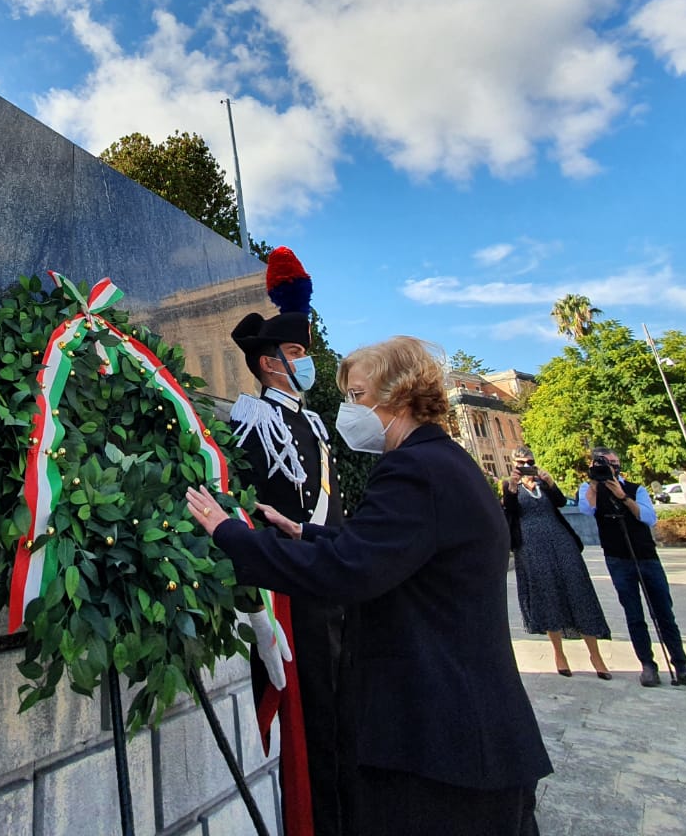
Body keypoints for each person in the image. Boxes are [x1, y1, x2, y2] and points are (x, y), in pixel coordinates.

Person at [186, 337, 551, 836]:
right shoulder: (444, 460)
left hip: (439, 746)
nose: (350, 410)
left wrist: (231, 535)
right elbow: (391, 549)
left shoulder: (414, 469)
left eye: (357, 395)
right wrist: (306, 532)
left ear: (398, 396)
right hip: (469, 734)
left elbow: (349, 570)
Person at [227, 247, 345, 836]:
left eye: (304, 351)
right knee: (308, 714)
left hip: (331, 579)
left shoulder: (313, 422)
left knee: (339, 709)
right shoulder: (255, 420)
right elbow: (249, 504)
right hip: (291, 590)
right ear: (269, 364)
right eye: (296, 353)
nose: (306, 362)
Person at [579, 448, 686, 690]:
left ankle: (682, 665)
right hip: (617, 558)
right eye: (604, 463)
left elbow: (648, 517)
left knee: (664, 613)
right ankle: (647, 665)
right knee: (634, 614)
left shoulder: (635, 489)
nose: (610, 467)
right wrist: (595, 483)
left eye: (613, 462)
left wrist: (623, 496)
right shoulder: (590, 489)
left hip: (645, 555)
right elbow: (587, 510)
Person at [502, 448, 612, 679]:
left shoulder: (543, 483)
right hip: (530, 545)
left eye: (529, 461)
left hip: (559, 540)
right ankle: (559, 653)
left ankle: (595, 655)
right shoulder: (510, 486)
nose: (526, 466)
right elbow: (510, 511)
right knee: (547, 595)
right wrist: (512, 487)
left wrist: (551, 483)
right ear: (513, 464)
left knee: (578, 591)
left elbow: (561, 502)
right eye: (521, 462)